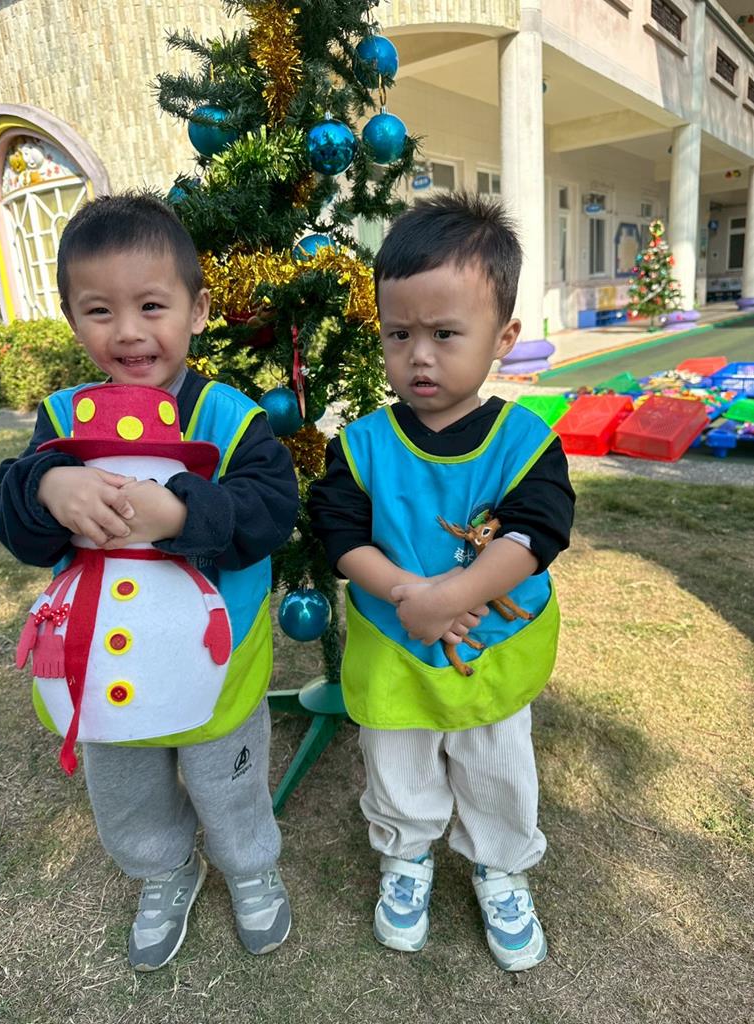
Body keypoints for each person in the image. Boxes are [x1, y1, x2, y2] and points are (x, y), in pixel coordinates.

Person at [0, 193, 299, 972]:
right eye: (100, 310)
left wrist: (183, 512)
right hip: (101, 664)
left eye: (152, 306)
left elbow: (270, 512)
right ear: (72, 319)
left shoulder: (230, 417)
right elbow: (17, 523)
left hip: (216, 661)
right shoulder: (63, 419)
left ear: (197, 311)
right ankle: (164, 870)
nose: (128, 331)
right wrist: (46, 485)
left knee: (227, 780)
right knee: (125, 789)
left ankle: (249, 866)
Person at [308, 192, 575, 971]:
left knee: (497, 765)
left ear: (503, 338)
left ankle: (500, 864)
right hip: (395, 646)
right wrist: (407, 598)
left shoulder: (526, 442)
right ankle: (406, 854)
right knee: (397, 762)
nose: (418, 356)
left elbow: (534, 534)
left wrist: (450, 600)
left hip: (491, 646)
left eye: (444, 334)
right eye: (399, 334)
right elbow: (338, 533)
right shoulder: (360, 445)